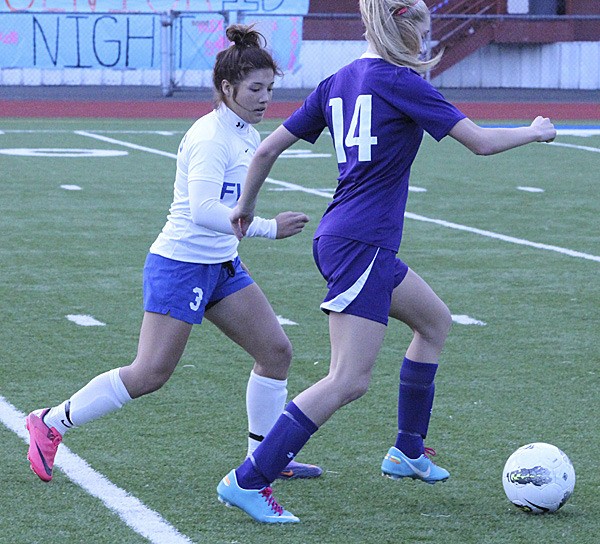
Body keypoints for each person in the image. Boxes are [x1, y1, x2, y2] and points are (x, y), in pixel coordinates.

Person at [216, 0, 557, 524]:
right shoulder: (403, 82)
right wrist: (535, 132)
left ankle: (407, 451)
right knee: (348, 379)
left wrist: (245, 207)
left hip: (349, 238)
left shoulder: (339, 80)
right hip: (362, 244)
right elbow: (482, 143)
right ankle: (248, 479)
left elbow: (264, 153)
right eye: (424, 30)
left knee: (434, 322)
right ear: (407, 31)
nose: (427, 41)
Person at [25, 24, 323, 486]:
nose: (266, 98)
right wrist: (268, 228)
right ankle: (50, 423)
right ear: (227, 88)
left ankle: (265, 460)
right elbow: (204, 211)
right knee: (150, 373)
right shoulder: (211, 137)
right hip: (181, 265)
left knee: (276, 352)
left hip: (221, 265)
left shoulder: (242, 131)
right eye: (255, 89)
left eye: (270, 88)